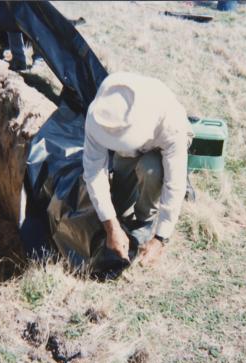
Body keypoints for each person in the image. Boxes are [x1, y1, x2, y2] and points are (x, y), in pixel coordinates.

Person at [83, 72, 194, 266]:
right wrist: (111, 225)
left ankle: (145, 220)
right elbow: (93, 172)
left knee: (151, 169)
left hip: (162, 144)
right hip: (128, 151)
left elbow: (173, 185)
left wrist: (160, 238)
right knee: (120, 207)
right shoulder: (102, 111)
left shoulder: (171, 122)